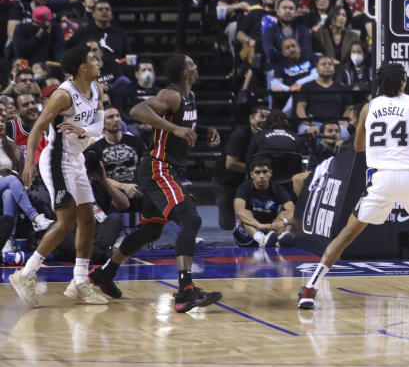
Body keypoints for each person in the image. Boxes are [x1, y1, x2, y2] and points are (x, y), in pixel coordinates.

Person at [297, 63, 409, 308]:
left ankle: (310, 288)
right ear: (404, 81)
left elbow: (359, 147)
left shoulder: (368, 108)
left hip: (381, 179)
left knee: (345, 235)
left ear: (378, 82)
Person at [86, 54, 221, 311]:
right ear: (185, 73)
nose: (197, 66)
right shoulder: (171, 95)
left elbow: (183, 128)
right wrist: (173, 129)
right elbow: (137, 111)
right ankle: (186, 291)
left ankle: (105, 273)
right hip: (160, 168)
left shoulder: (189, 98)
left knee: (151, 230)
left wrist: (206, 132)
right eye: (193, 64)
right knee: (191, 219)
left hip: (168, 168)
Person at [10, 45, 107, 307]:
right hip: (56, 162)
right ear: (82, 68)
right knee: (66, 222)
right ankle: (26, 274)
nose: (99, 62)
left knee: (88, 220)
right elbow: (36, 128)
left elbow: (100, 126)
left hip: (76, 161)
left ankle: (79, 282)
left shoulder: (96, 88)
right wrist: (29, 162)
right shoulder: (63, 95)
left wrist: (82, 129)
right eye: (93, 60)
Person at [233, 156, 295, 249]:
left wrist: (283, 222)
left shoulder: (278, 189)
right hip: (248, 233)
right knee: (245, 213)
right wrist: (259, 225)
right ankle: (261, 239)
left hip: (269, 231)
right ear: (252, 175)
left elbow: (292, 210)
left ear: (270, 173)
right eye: (257, 172)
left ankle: (281, 238)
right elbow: (239, 212)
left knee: (286, 214)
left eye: (265, 172)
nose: (261, 176)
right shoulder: (244, 188)